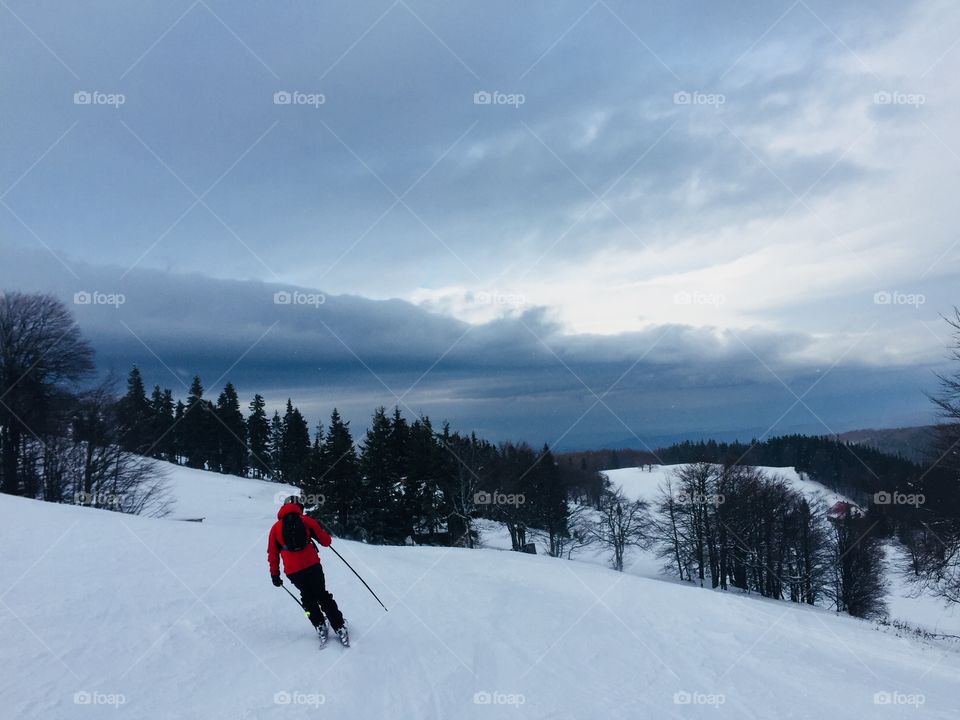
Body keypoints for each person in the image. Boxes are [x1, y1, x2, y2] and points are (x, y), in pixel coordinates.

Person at [268, 496, 348, 646]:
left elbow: (272, 554)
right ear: (299, 507)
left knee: (307, 598)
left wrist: (275, 574)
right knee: (322, 595)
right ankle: (339, 626)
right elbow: (326, 542)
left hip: (293, 572)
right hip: (312, 566)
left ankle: (319, 625)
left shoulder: (275, 528)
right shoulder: (306, 520)